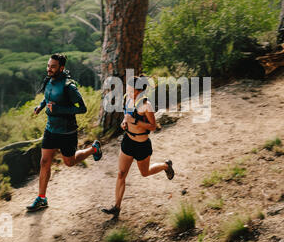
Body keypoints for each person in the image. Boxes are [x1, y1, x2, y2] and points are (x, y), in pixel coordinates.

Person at [26, 53, 102, 212]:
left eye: (53, 67)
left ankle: (93, 149)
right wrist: (40, 107)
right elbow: (48, 98)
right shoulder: (49, 81)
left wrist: (59, 109)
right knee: (44, 162)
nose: (49, 69)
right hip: (51, 129)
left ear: (61, 68)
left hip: (67, 132)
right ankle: (41, 198)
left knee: (70, 162)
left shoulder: (69, 87)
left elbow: (82, 108)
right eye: (48, 66)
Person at [102, 76, 174, 219]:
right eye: (127, 90)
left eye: (131, 90)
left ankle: (166, 166)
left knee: (145, 173)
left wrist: (134, 120)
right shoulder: (127, 99)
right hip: (128, 141)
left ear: (140, 90)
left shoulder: (147, 105)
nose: (128, 93)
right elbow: (126, 116)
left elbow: (153, 127)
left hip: (142, 145)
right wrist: (124, 122)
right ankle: (116, 207)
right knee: (121, 174)